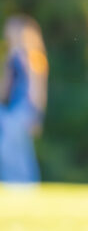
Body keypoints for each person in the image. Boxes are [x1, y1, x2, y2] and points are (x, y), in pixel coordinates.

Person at [0, 15, 48, 184]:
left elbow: (38, 89)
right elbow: (4, 90)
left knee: (16, 151)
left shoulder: (33, 56)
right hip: (12, 109)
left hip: (24, 109)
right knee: (9, 149)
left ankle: (25, 184)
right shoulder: (13, 57)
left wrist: (37, 115)